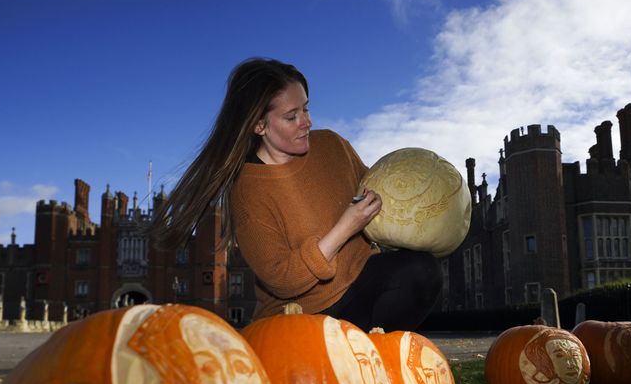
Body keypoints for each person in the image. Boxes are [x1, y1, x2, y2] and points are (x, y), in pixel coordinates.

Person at [149, 58, 442, 331]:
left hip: (362, 283)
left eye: (306, 109)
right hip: (305, 312)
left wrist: (428, 201)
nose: (307, 122)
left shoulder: (332, 145)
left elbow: (381, 198)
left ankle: (375, 358)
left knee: (421, 270)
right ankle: (340, 360)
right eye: (292, 116)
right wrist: (346, 227)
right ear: (259, 125)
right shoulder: (248, 190)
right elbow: (284, 281)